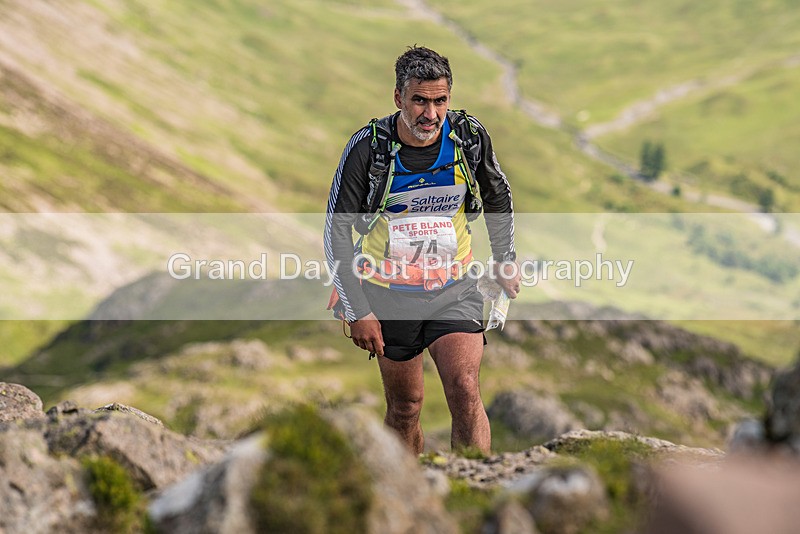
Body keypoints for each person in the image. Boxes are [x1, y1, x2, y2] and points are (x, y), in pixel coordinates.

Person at [324, 46, 519, 455]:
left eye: (440, 101)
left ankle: (474, 491)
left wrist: (504, 260)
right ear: (398, 98)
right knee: (405, 407)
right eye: (419, 100)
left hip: (454, 287)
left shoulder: (466, 137)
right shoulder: (368, 148)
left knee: (465, 391)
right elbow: (336, 233)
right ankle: (406, 499)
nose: (430, 113)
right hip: (388, 293)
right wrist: (358, 308)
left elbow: (497, 194)